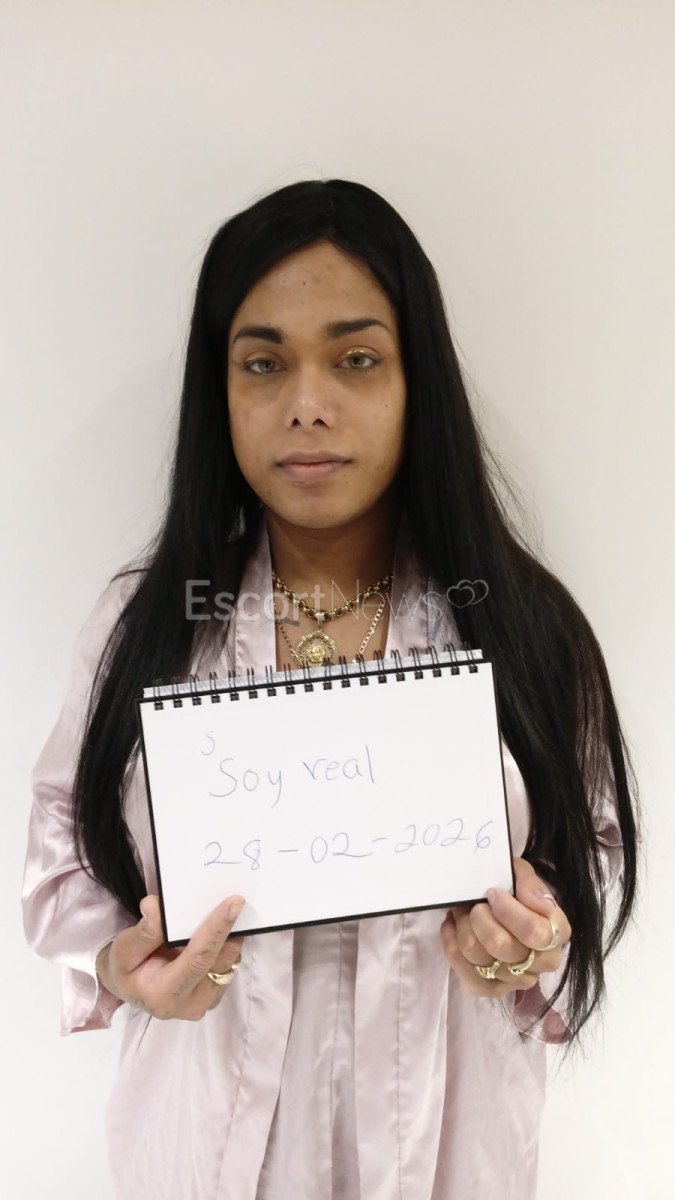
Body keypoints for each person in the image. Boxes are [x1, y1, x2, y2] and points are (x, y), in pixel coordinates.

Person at [22, 179, 640, 1200]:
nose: (306, 403)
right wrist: (121, 966)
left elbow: (594, 856)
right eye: (263, 362)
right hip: (198, 1154)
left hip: (450, 1152)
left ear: (416, 381)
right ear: (220, 391)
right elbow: (62, 852)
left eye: (356, 358)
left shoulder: (521, 626)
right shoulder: (147, 625)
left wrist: (532, 941)